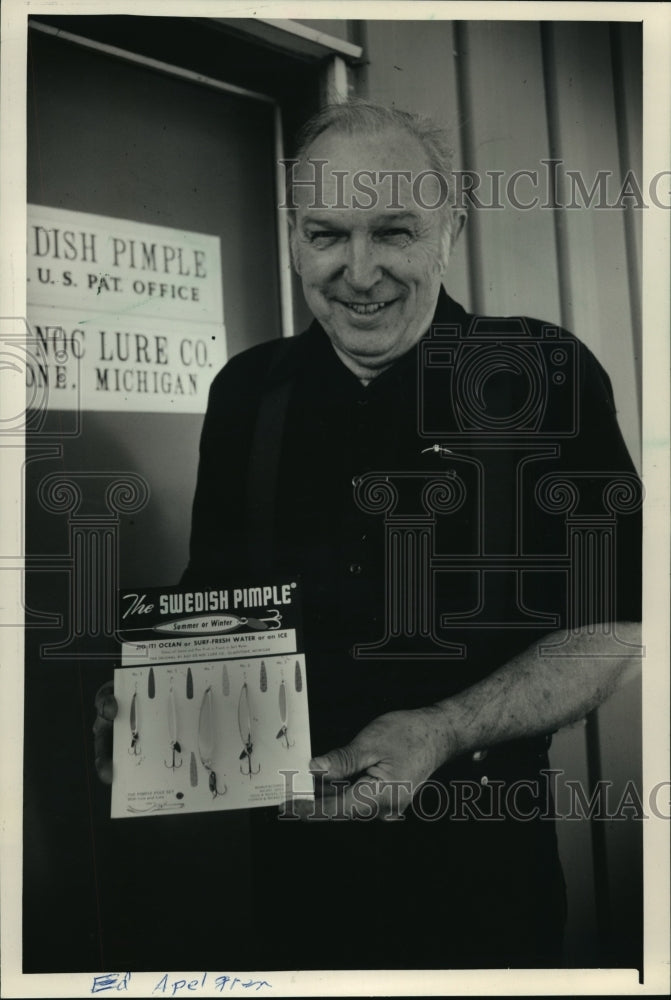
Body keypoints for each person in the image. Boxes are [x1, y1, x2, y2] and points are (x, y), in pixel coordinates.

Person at [95, 100, 642, 970]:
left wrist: (442, 728)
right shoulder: (246, 392)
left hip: (482, 865)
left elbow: (615, 623)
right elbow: (219, 599)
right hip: (293, 866)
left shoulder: (541, 374)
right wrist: (154, 704)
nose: (359, 273)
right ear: (293, 239)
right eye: (326, 235)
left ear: (449, 231)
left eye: (392, 232)